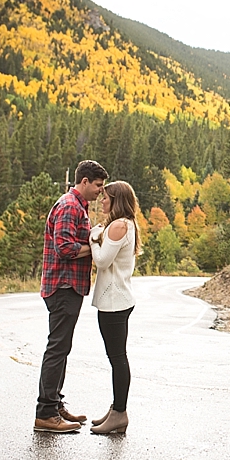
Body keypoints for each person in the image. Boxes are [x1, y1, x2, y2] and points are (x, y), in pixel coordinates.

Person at [34, 160, 108, 433]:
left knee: (62, 348)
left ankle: (54, 405)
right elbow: (64, 248)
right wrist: (95, 245)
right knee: (57, 348)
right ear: (85, 181)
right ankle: (45, 413)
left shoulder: (79, 207)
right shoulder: (69, 206)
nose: (100, 192)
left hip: (70, 287)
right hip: (63, 287)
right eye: (98, 186)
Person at [87, 180, 140, 435]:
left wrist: (92, 237)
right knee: (116, 357)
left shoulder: (118, 225)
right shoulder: (124, 224)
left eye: (106, 197)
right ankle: (116, 409)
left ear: (117, 199)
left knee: (118, 358)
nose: (102, 200)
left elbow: (102, 260)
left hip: (114, 302)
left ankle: (119, 413)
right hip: (118, 300)